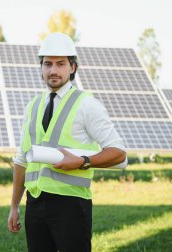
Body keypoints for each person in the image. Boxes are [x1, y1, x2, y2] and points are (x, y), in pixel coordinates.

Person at [7, 32, 127, 252]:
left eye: (60, 64)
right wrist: (14, 206)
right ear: (41, 67)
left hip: (71, 205)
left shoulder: (87, 105)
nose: (53, 70)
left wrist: (83, 161)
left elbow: (119, 153)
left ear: (72, 67)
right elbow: (21, 160)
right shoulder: (32, 106)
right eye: (48, 64)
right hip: (35, 204)